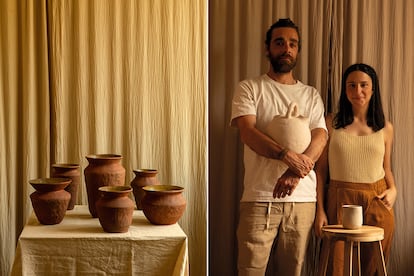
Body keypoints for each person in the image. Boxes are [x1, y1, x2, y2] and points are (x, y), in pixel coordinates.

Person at [230, 18, 328, 276]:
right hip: (259, 198)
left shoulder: (311, 94)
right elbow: (248, 132)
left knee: (292, 272)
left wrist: (296, 171)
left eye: (293, 44)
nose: (287, 48)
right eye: (280, 42)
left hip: (303, 200)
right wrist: (286, 156)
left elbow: (321, 137)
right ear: (268, 48)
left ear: (298, 50)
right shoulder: (249, 88)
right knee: (249, 271)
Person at [314, 63, 397, 275]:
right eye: (351, 85)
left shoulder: (385, 128)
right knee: (338, 267)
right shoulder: (331, 122)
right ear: (345, 89)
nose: (357, 91)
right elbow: (321, 171)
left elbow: (386, 167)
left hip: (376, 200)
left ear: (373, 88)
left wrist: (394, 189)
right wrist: (320, 210)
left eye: (363, 85)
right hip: (339, 200)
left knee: (372, 267)